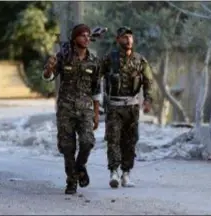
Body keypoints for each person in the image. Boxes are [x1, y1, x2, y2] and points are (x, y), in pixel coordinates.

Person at [42, 24, 101, 194]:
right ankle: (71, 180)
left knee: (87, 142)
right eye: (83, 36)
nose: (86, 39)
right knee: (67, 147)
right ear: (75, 38)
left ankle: (80, 166)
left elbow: (97, 89)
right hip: (66, 109)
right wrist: (49, 68)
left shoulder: (94, 60)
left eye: (88, 36)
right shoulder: (64, 56)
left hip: (85, 110)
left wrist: (96, 114)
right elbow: (49, 77)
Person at [100, 26, 153, 188]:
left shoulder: (140, 60)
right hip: (114, 106)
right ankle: (114, 171)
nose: (128, 40)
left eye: (130, 36)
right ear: (118, 40)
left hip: (132, 107)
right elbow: (96, 76)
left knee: (130, 141)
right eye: (124, 37)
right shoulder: (110, 59)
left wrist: (148, 100)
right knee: (113, 139)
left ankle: (126, 173)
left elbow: (148, 81)